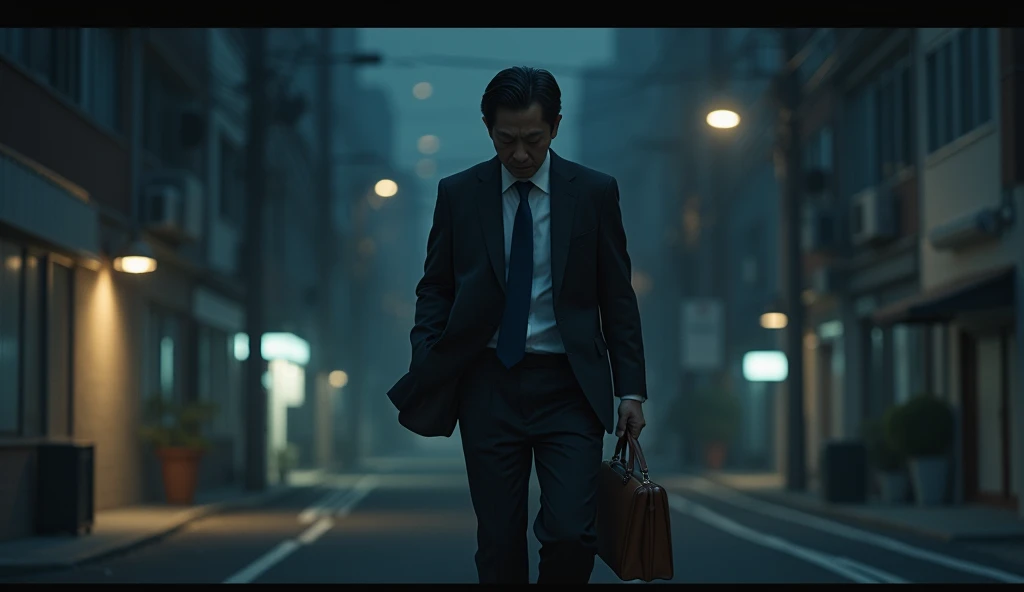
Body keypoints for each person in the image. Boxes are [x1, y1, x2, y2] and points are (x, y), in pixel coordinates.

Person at [386, 66, 648, 584]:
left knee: (574, 532)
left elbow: (616, 296)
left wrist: (631, 391)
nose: (521, 154)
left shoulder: (594, 193)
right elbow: (435, 287)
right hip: (487, 384)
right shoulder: (459, 194)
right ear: (488, 129)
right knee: (499, 540)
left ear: (554, 128)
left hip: (570, 388)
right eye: (507, 140)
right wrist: (426, 353)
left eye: (533, 139)